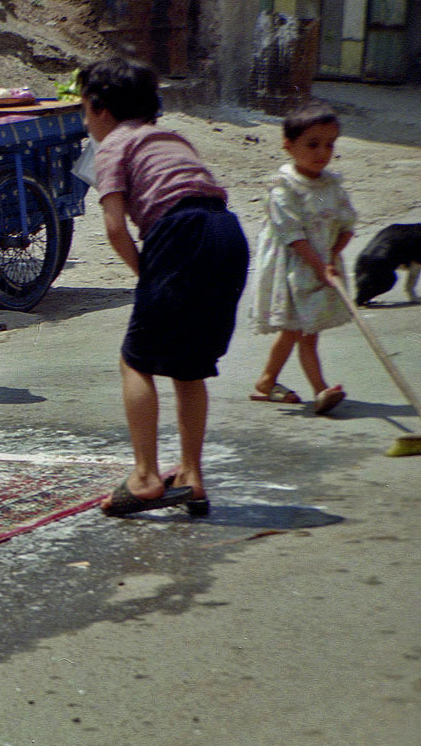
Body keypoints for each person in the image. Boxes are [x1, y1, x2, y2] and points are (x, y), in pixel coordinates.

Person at [79, 57, 250, 518]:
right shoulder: (170, 137)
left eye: (84, 110)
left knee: (136, 359)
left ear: (100, 110)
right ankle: (191, 476)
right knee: (190, 366)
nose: (86, 121)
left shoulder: (112, 143)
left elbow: (116, 229)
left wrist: (148, 276)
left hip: (179, 234)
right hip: (227, 234)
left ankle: (146, 475)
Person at [250, 100, 356, 415]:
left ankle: (266, 382)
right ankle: (320, 389)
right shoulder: (284, 189)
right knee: (301, 332)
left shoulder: (330, 186)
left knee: (298, 332)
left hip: (322, 267)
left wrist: (332, 257)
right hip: (294, 269)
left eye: (329, 145)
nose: (322, 152)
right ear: (288, 145)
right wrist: (319, 265)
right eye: (312, 144)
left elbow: (346, 224)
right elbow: (294, 237)